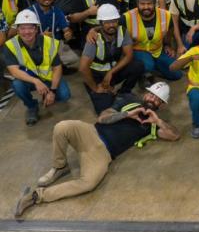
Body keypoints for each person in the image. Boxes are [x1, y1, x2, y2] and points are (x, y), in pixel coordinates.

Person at [14, 82, 179, 218]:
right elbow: (102, 117)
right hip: (90, 133)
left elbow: (175, 135)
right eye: (151, 94)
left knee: (88, 184)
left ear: (162, 105)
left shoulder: (153, 125)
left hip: (103, 154)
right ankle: (60, 167)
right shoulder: (129, 100)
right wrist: (127, 114)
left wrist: (158, 122)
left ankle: (36, 196)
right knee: (62, 127)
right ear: (145, 94)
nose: (152, 99)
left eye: (157, 99)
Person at [2, 10, 70, 125]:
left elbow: (57, 68)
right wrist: (35, 81)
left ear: (36, 29)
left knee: (64, 95)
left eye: (30, 28)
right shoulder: (11, 46)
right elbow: (14, 71)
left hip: (48, 77)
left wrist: (52, 91)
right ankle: (32, 107)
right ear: (17, 30)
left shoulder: (49, 43)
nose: (27, 32)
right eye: (22, 28)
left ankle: (47, 94)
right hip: (30, 79)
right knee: (17, 85)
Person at [79, 4, 144, 113]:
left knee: (138, 65)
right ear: (100, 23)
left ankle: (124, 92)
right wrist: (96, 88)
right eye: (107, 22)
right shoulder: (94, 38)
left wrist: (111, 73)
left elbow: (129, 55)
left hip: (112, 73)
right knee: (105, 110)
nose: (111, 25)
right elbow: (83, 68)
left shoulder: (122, 31)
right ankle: (99, 91)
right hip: (97, 77)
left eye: (114, 21)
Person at [124, 0, 181, 81]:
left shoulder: (166, 15)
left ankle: (153, 69)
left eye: (149, 3)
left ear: (155, 2)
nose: (146, 7)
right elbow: (110, 27)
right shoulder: (127, 17)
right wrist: (93, 30)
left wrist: (168, 45)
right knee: (148, 65)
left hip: (157, 51)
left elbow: (170, 31)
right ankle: (142, 73)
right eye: (142, 3)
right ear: (137, 3)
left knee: (176, 73)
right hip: (138, 51)